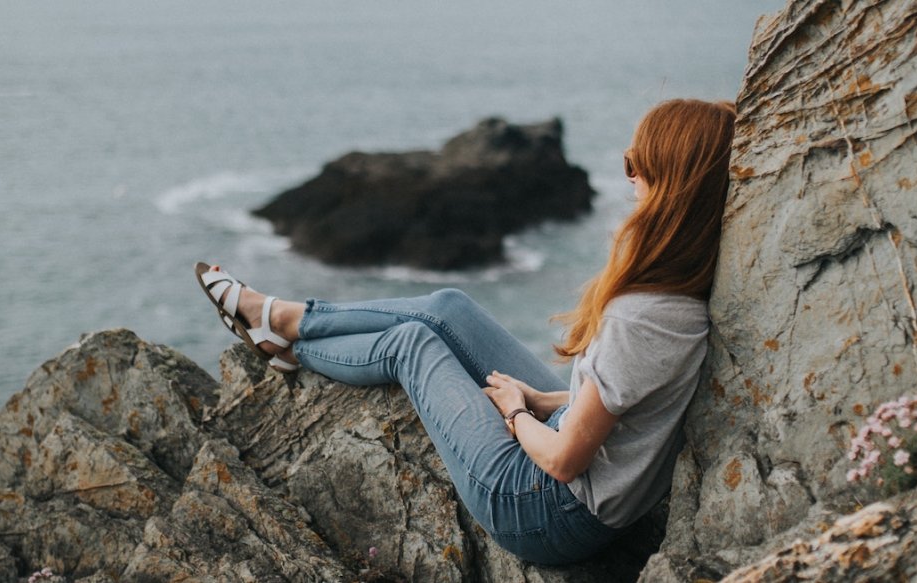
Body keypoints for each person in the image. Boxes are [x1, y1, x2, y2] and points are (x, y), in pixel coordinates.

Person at [194, 98, 736, 565]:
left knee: (412, 344)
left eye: (634, 162)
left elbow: (565, 460)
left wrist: (515, 412)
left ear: (669, 183)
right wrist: (542, 400)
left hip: (544, 508)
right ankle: (286, 317)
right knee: (448, 306)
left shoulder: (641, 317)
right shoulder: (681, 288)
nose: (627, 174)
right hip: (575, 465)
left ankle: (285, 341)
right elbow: (615, 408)